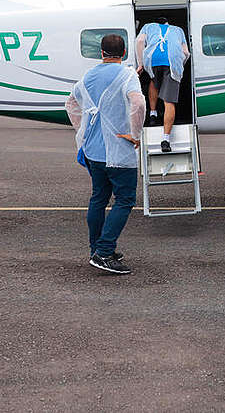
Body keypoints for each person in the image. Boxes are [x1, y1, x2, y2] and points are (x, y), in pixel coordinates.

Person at [65, 33, 146, 275]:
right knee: (124, 200)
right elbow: (139, 104)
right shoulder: (128, 74)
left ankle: (96, 249)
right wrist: (135, 134)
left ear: (101, 53)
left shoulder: (88, 76)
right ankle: (104, 251)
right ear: (123, 54)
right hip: (118, 152)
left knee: (99, 198)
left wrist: (83, 129)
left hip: (93, 151)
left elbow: (71, 103)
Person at [136, 17, 190, 153]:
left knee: (153, 82)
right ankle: (166, 139)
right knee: (169, 101)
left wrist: (141, 63)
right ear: (167, 23)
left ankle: (152, 114)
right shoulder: (178, 30)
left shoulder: (148, 26)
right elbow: (185, 52)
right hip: (172, 62)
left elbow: (140, 41)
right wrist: (180, 65)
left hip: (153, 60)